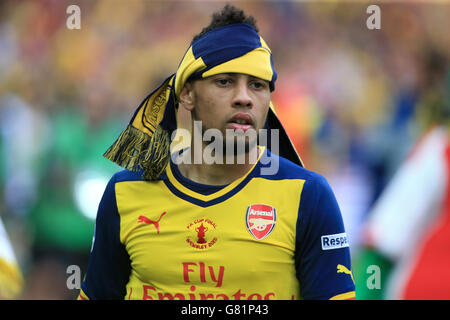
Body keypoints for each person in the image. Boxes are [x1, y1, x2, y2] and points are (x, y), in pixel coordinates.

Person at [78, 5, 355, 300]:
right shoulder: (125, 193)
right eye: (224, 82)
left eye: (258, 85)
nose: (244, 98)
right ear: (186, 93)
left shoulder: (308, 196)